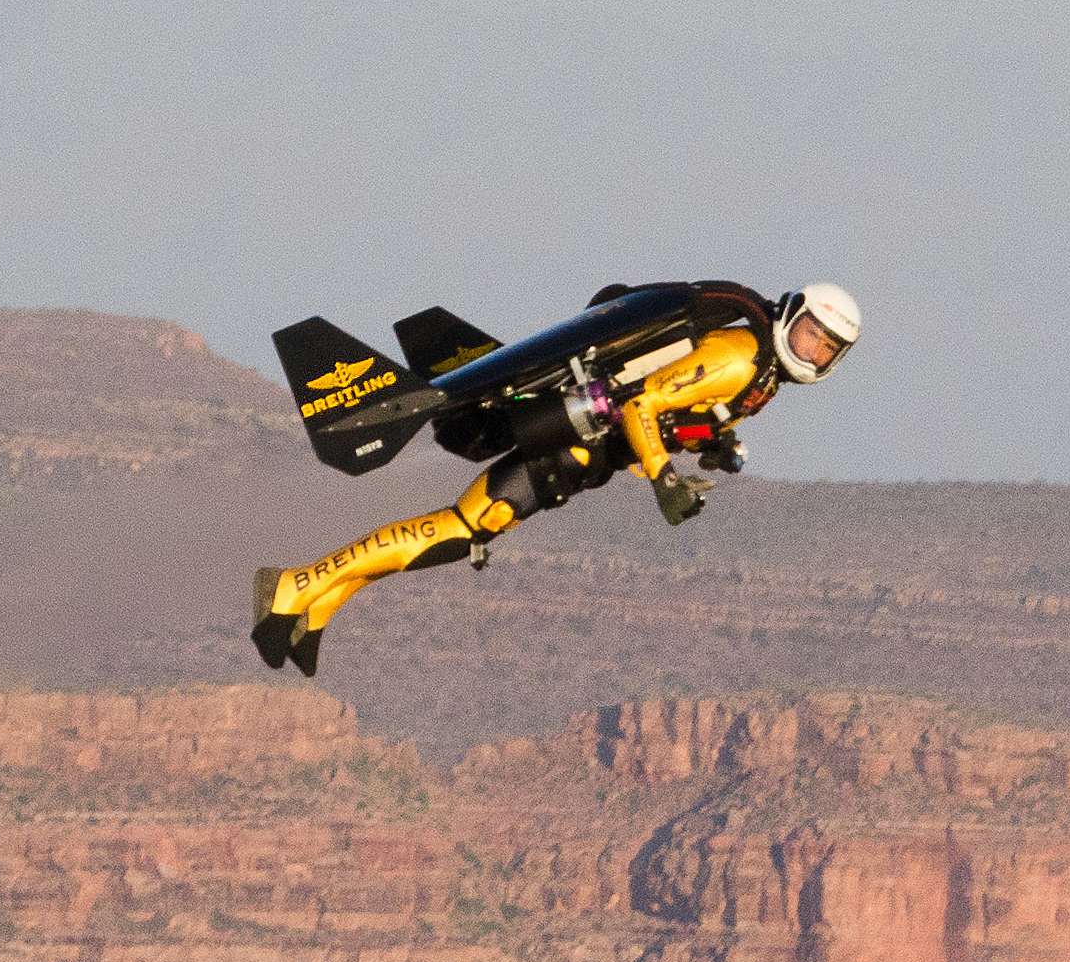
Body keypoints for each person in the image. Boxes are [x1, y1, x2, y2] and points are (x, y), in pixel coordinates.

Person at [250, 280, 859, 673]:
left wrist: (712, 444)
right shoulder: (739, 357)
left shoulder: (763, 374)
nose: (812, 352)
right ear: (792, 314)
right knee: (464, 529)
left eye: (826, 348)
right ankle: (294, 586)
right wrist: (664, 480)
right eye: (810, 334)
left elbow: (678, 412)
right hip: (566, 448)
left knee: (463, 533)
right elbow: (643, 404)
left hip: (581, 454)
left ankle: (320, 601)